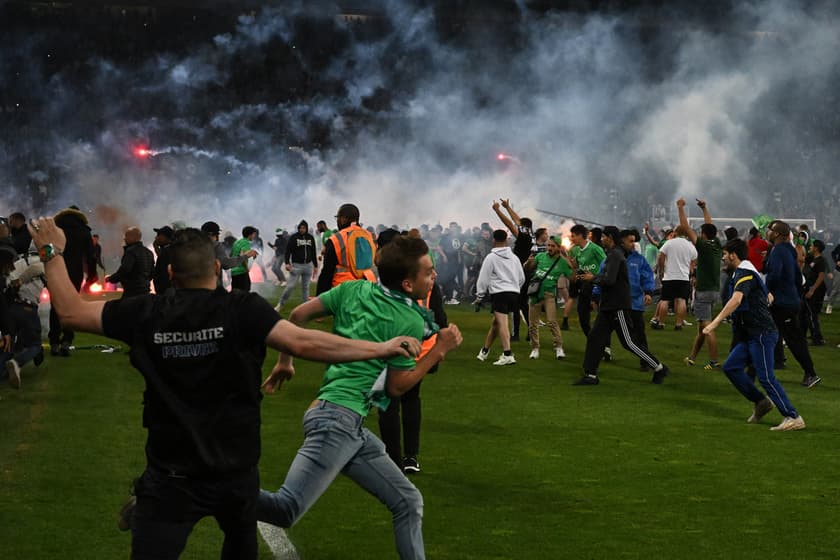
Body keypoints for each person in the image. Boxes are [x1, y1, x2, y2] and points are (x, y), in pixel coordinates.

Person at [27, 218, 424, 559]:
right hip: (234, 478)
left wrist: (52, 251)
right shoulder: (242, 309)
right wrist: (382, 348)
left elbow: (70, 312)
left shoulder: (145, 312)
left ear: (169, 275)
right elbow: (303, 342)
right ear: (217, 268)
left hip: (170, 478)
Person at [257, 234, 462, 560]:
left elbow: (296, 318)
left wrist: (285, 362)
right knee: (285, 509)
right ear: (408, 285)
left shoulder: (354, 287)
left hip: (344, 422)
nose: (434, 275)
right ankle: (199, 487)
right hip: (336, 422)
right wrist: (437, 350)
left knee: (408, 501)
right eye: (428, 271)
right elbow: (397, 387)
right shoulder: (407, 318)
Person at [702, 238, 805, 431]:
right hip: (751, 335)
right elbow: (769, 296)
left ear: (733, 255)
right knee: (731, 367)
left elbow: (737, 299)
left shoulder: (745, 273)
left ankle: (793, 416)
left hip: (762, 334)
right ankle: (761, 402)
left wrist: (714, 323)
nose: (723, 258)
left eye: (724, 254)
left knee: (766, 377)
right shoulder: (749, 272)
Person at [376, 229, 448, 474]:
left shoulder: (383, 282)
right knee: (410, 400)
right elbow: (440, 316)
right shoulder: (422, 278)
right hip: (421, 351)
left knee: (388, 402)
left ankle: (392, 459)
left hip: (390, 350)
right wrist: (439, 348)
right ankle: (410, 457)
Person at [573, 226, 670, 386]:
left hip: (617, 306)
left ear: (610, 237)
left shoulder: (616, 255)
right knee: (595, 338)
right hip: (608, 306)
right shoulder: (613, 255)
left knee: (629, 342)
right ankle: (590, 375)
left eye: (603, 237)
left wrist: (593, 278)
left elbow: (609, 280)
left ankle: (658, 367)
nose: (601, 239)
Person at [763, 220, 821, 387]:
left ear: (778, 234)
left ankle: (810, 373)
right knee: (771, 333)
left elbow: (774, 275)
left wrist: (766, 291)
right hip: (790, 300)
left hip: (782, 302)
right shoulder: (789, 250)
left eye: (770, 230)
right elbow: (797, 277)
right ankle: (767, 366)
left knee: (794, 339)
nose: (768, 232)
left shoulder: (778, 251)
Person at [676, 198, 722, 370]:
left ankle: (714, 361)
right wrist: (704, 208)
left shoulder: (702, 246)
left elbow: (686, 228)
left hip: (703, 291)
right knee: (701, 327)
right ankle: (692, 357)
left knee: (707, 326)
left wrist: (680, 208)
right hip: (714, 291)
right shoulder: (716, 243)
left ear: (703, 235)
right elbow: (710, 226)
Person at [475, 229, 526, 366]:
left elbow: (483, 278)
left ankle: (508, 354)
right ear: (506, 240)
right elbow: (522, 278)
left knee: (502, 323)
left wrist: (479, 296)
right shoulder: (514, 258)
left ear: (493, 240)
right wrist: (515, 287)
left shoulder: (491, 257)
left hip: (499, 293)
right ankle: (484, 351)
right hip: (514, 293)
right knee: (496, 323)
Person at [49, 206, 95, 357]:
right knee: (70, 305)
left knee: (55, 305)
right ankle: (67, 341)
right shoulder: (84, 231)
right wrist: (91, 276)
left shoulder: (55, 229)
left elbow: (46, 251)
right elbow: (91, 256)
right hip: (75, 272)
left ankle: (54, 342)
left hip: (56, 270)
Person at [1, 244, 46, 387]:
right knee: (36, 345)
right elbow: (38, 269)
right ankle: (16, 363)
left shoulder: (18, 262)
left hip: (12, 309)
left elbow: (8, 282)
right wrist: (21, 280)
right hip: (28, 309)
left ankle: (2, 371)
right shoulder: (41, 263)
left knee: (9, 345)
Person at [524, 236, 573, 360]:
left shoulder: (562, 262)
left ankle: (558, 347)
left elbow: (572, 277)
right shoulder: (540, 256)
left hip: (549, 294)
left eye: (553, 246)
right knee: (532, 323)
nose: (550, 248)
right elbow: (527, 268)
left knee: (552, 322)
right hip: (535, 293)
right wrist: (528, 262)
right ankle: (535, 348)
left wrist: (569, 261)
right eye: (548, 245)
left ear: (558, 247)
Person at [492, 199, 533, 341]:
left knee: (516, 303)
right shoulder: (529, 234)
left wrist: (498, 211)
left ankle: (516, 334)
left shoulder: (524, 236)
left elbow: (510, 223)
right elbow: (517, 221)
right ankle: (530, 330)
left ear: (523, 227)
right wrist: (508, 207)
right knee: (523, 303)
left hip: (519, 272)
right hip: (526, 273)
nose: (518, 224)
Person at [316, 203, 376, 295]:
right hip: (367, 288)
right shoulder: (369, 236)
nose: (337, 221)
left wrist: (320, 298)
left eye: (338, 218)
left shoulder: (337, 238)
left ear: (343, 219)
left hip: (343, 291)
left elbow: (326, 274)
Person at [651, 224, 697, 330]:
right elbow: (694, 259)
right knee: (681, 300)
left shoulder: (669, 243)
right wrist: (690, 269)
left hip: (669, 276)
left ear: (675, 232)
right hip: (683, 277)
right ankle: (679, 324)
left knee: (665, 300)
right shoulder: (690, 245)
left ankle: (661, 323)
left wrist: (662, 270)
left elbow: (660, 256)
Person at [568, 224, 606, 337]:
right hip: (585, 287)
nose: (571, 238)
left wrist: (595, 277)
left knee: (602, 315)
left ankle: (604, 345)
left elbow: (607, 265)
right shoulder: (576, 250)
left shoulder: (595, 248)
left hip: (598, 286)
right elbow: (578, 273)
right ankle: (591, 339)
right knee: (582, 315)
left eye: (573, 236)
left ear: (580, 235)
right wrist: (575, 267)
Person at [275, 220, 318, 311]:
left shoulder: (310, 237)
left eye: (304, 228)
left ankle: (305, 308)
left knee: (305, 288)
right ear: (298, 228)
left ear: (306, 228)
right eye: (300, 228)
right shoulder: (294, 237)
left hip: (308, 265)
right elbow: (288, 251)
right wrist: (287, 263)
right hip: (296, 265)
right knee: (290, 286)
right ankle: (280, 304)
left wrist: (316, 266)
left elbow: (313, 251)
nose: (302, 230)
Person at [106, 227, 155, 299]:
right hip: (145, 290)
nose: (124, 239)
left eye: (126, 236)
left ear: (132, 237)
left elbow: (124, 270)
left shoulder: (131, 252)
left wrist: (110, 279)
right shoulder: (149, 252)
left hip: (132, 291)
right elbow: (152, 273)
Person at [801, 239, 827, 346]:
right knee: (806, 313)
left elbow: (821, 276)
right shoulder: (811, 258)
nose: (810, 248)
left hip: (817, 290)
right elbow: (800, 258)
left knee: (812, 313)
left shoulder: (821, 260)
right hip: (809, 288)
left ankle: (818, 338)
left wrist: (812, 289)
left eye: (811, 246)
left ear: (816, 248)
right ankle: (810, 335)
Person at [230, 226, 258, 292]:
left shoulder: (237, 242)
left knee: (235, 293)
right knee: (245, 292)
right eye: (254, 234)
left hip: (233, 271)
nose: (254, 236)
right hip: (241, 271)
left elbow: (231, 254)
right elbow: (242, 256)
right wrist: (246, 268)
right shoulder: (246, 242)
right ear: (250, 234)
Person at [152, 226, 174, 295]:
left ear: (164, 237)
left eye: (158, 235)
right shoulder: (170, 250)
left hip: (166, 291)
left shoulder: (168, 251)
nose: (156, 238)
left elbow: (164, 273)